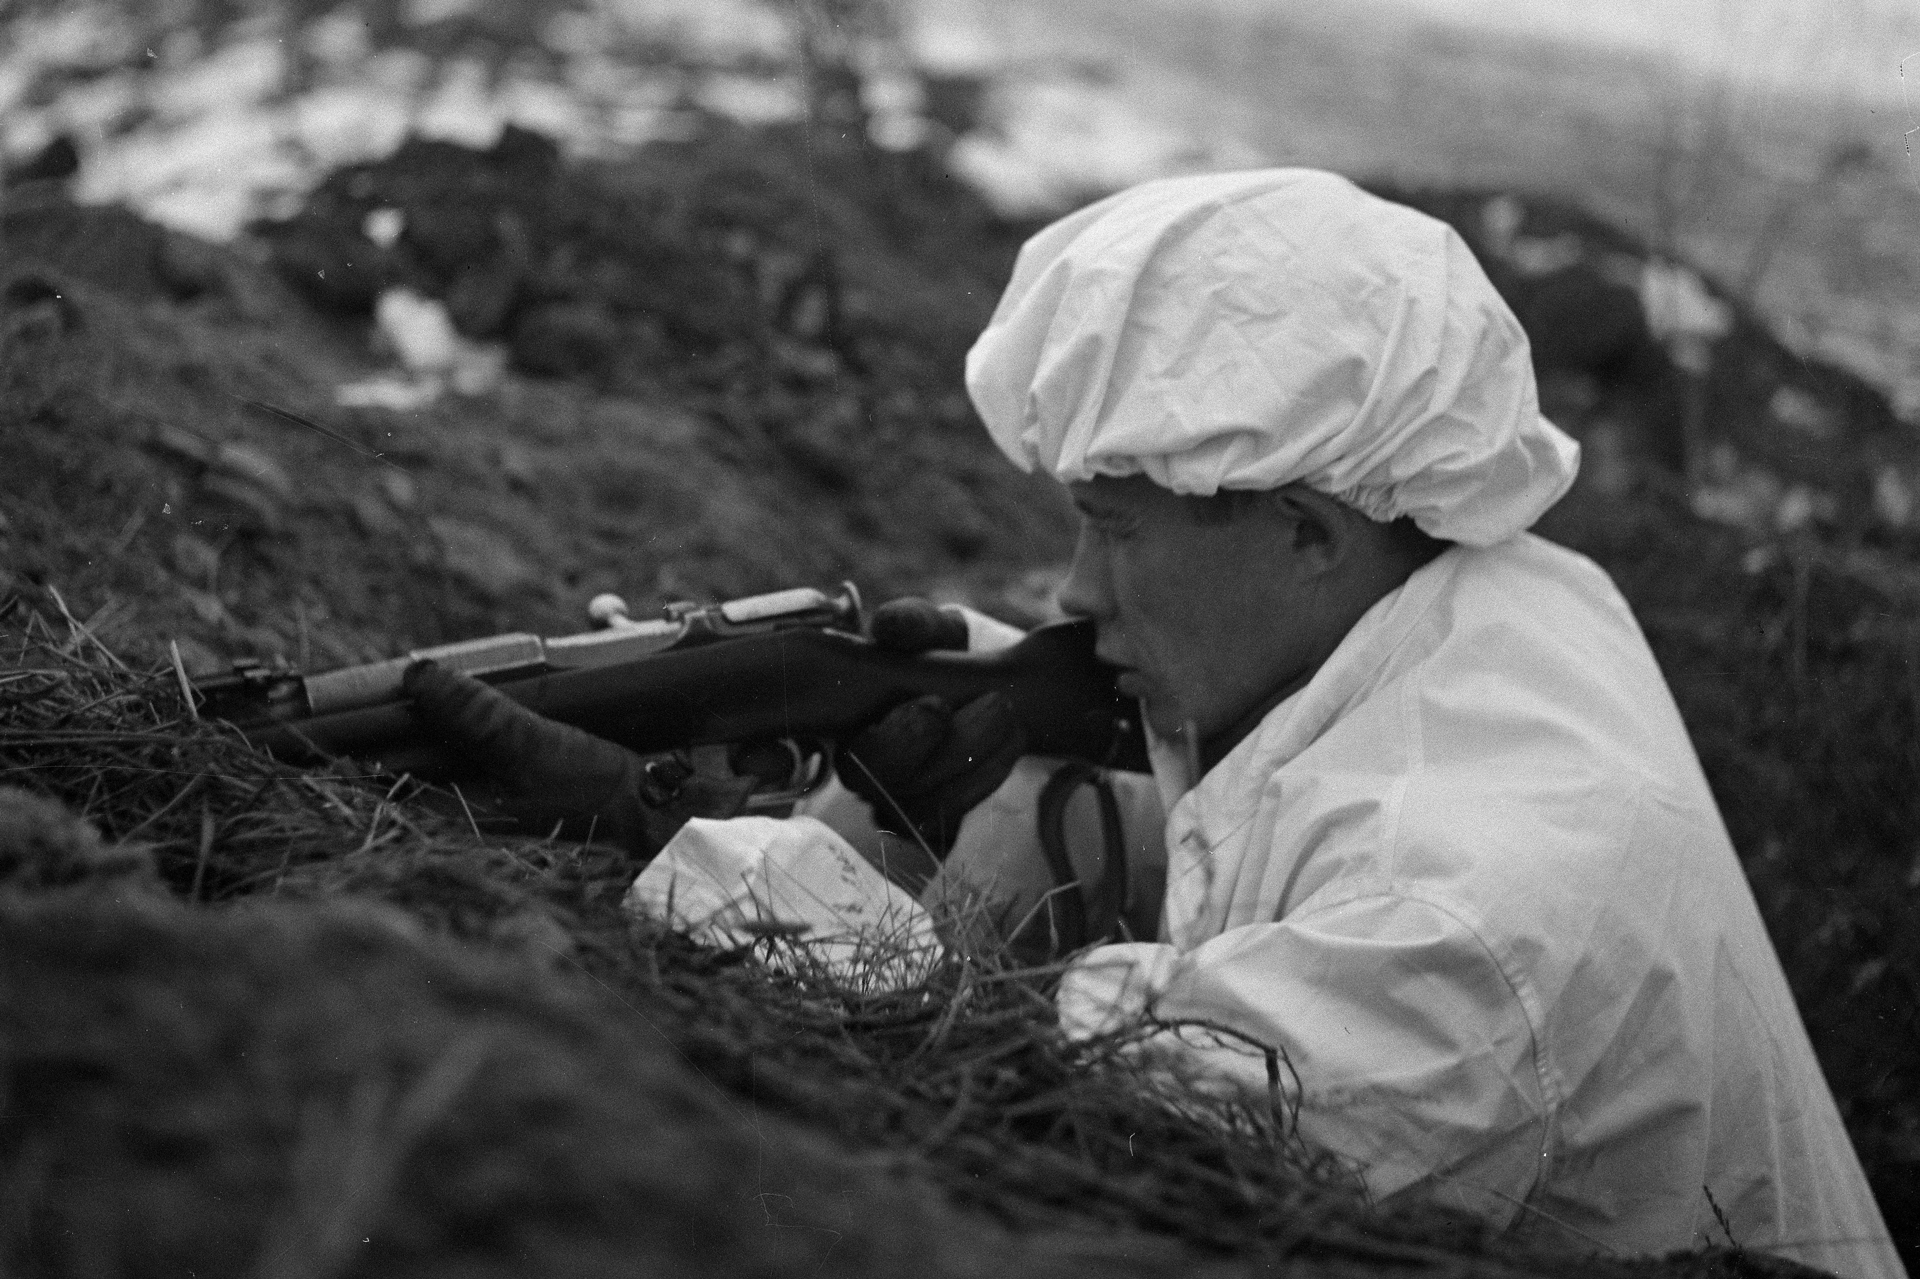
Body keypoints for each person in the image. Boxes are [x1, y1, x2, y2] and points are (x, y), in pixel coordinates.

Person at [405, 168, 1902, 1278]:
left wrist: (673, 840)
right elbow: (1269, 793)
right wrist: (959, 692)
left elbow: (1041, 1087)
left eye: (1112, 528)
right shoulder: (1501, 591)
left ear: (1311, 528)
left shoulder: (1469, 924)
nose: (1072, 586)